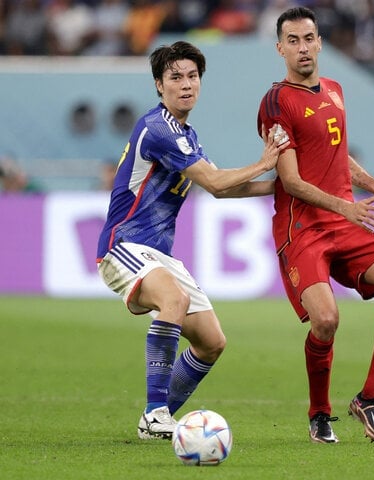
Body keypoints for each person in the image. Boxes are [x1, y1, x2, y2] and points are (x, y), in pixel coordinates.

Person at [96, 40, 288, 440]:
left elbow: (222, 189)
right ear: (159, 85)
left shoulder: (186, 135)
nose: (186, 85)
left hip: (157, 255)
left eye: (193, 76)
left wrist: (283, 185)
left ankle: (158, 420)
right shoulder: (158, 128)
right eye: (175, 77)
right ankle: (155, 412)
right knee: (175, 301)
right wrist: (266, 161)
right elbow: (217, 181)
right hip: (124, 245)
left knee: (211, 342)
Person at [257, 6, 374, 444]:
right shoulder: (276, 102)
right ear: (280, 48)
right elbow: (289, 179)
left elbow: (336, 152)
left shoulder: (334, 89)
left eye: (308, 38)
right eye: (292, 40)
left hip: (344, 220)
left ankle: (370, 399)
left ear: (320, 42)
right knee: (326, 320)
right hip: (303, 227)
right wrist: (345, 207)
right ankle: (319, 413)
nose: (302, 47)